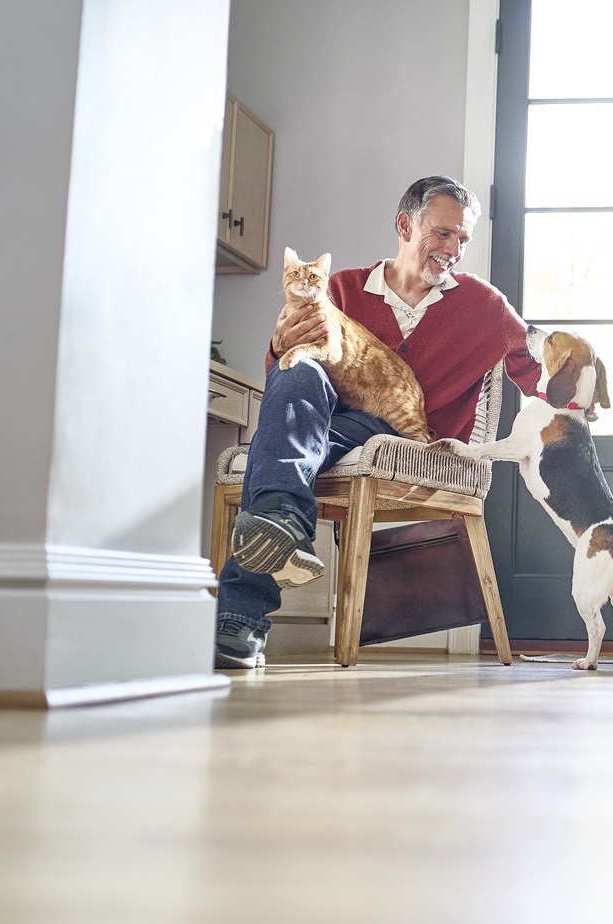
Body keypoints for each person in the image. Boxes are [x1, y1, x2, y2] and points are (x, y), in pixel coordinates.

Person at [214, 176, 541, 669]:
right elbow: (281, 385)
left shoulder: (484, 307)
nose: (455, 248)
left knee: (279, 458)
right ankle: (282, 524)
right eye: (444, 233)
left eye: (464, 239)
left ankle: (242, 613)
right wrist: (281, 345)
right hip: (322, 416)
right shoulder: (340, 287)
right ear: (405, 225)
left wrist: (580, 397)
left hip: (394, 436)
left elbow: (535, 364)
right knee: (299, 372)